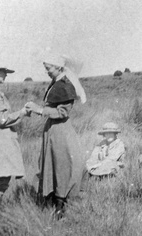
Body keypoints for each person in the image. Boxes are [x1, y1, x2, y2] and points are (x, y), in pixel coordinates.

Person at [25, 54, 87, 218]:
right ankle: (51, 200)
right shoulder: (56, 83)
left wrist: (39, 110)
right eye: (46, 68)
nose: (46, 71)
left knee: (61, 165)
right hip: (52, 130)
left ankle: (60, 206)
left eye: (49, 68)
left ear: (58, 67)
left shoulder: (65, 85)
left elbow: (62, 112)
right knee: (50, 164)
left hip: (60, 130)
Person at [0, 67, 29, 202]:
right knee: (1, 178)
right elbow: (2, 119)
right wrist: (22, 113)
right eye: (3, 75)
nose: (5, 78)